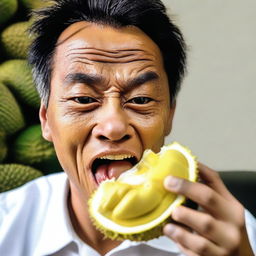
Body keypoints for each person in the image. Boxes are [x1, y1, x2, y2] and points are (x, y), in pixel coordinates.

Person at [0, 0, 255, 255]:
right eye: (83, 99)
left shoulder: (233, 236)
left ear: (168, 116)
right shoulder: (6, 225)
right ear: (46, 119)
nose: (114, 127)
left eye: (141, 100)